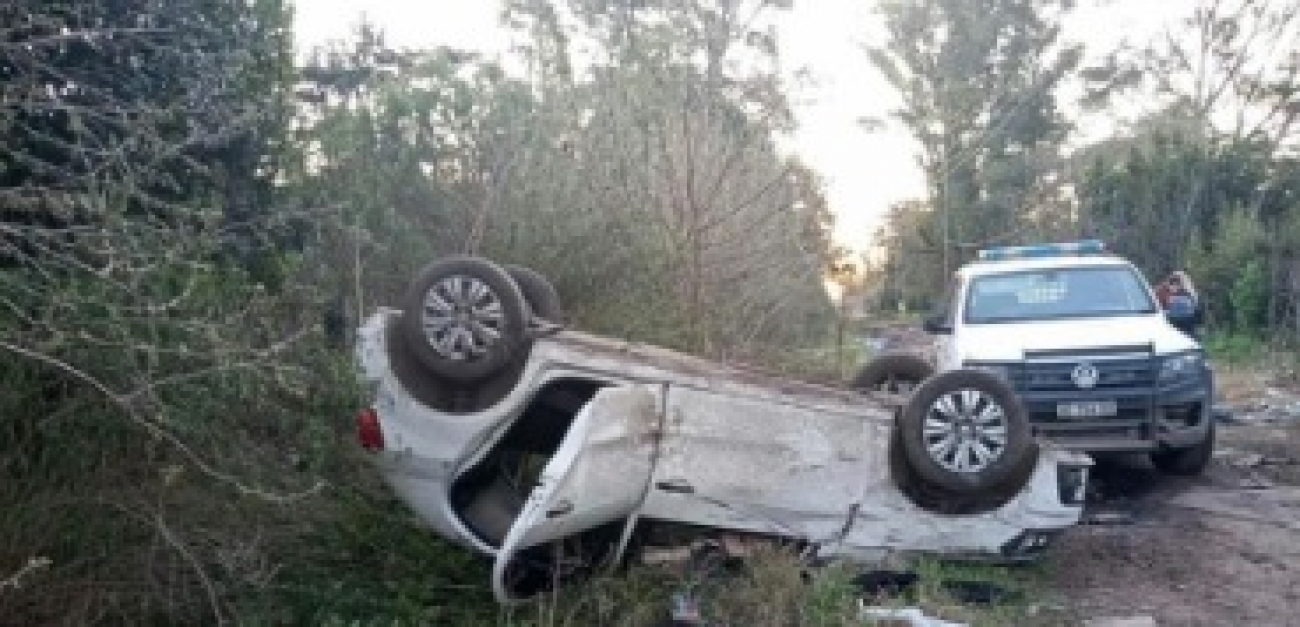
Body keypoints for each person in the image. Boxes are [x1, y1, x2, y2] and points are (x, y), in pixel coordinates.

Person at [1161, 271, 1201, 338]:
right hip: (1183, 329)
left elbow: (1172, 314)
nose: (1171, 286)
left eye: (1174, 283)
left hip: (1185, 329)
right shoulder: (1191, 296)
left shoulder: (1185, 297)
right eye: (1171, 283)